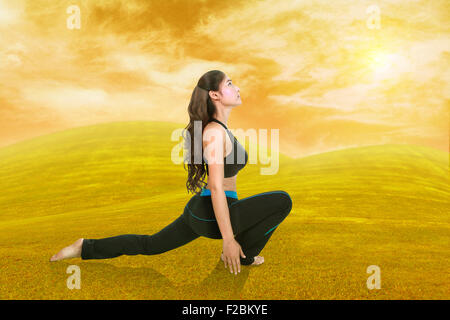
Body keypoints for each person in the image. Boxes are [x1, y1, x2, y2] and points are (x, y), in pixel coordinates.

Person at [50, 70, 293, 276]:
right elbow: (217, 186)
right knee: (282, 200)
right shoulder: (214, 133)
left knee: (151, 244)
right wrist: (229, 240)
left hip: (206, 210)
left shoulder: (219, 128)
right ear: (215, 95)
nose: (237, 87)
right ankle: (244, 256)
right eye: (229, 84)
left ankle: (85, 247)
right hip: (211, 213)